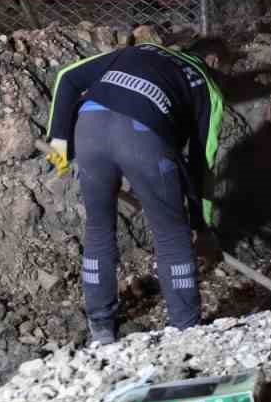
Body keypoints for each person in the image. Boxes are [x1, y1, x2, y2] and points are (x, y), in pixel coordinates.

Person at [44, 39, 227, 345]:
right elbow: (202, 163)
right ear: (215, 62)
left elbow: (68, 77)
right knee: (172, 234)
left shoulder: (138, 49)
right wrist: (199, 222)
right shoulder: (206, 85)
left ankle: (101, 328)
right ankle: (186, 331)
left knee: (98, 227)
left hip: (89, 129)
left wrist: (58, 140)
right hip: (142, 138)